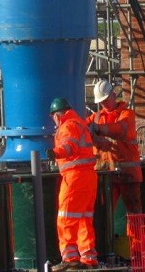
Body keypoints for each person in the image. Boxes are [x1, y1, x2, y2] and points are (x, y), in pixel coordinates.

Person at [86, 80, 142, 260]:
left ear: (113, 95)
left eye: (104, 99)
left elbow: (121, 130)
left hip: (127, 174)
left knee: (134, 217)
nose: (102, 103)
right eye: (100, 101)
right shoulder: (95, 118)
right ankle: (103, 252)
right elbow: (83, 130)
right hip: (105, 174)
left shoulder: (127, 114)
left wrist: (99, 131)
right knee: (101, 216)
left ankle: (136, 254)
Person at [47, 97, 99, 271]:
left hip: (74, 178)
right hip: (88, 177)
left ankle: (70, 259)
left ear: (57, 115)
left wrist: (54, 152)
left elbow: (69, 146)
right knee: (84, 218)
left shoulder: (68, 125)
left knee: (66, 217)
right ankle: (88, 258)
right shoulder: (79, 123)